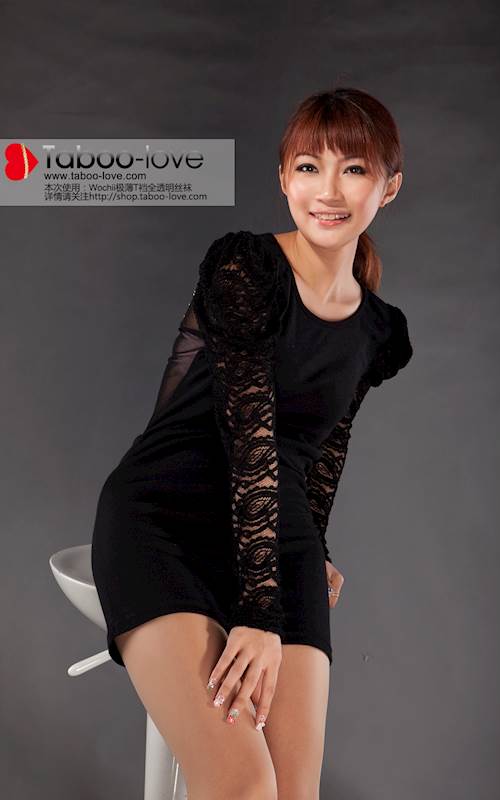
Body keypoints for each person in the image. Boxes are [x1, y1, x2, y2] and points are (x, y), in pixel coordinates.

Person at [90, 86, 414, 799]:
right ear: (283, 179)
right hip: (164, 518)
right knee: (242, 784)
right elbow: (251, 440)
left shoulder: (378, 331)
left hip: (275, 531)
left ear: (388, 187)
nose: (327, 191)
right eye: (308, 167)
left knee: (293, 793)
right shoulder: (247, 268)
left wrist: (311, 548)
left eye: (353, 169)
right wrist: (260, 614)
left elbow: (321, 452)